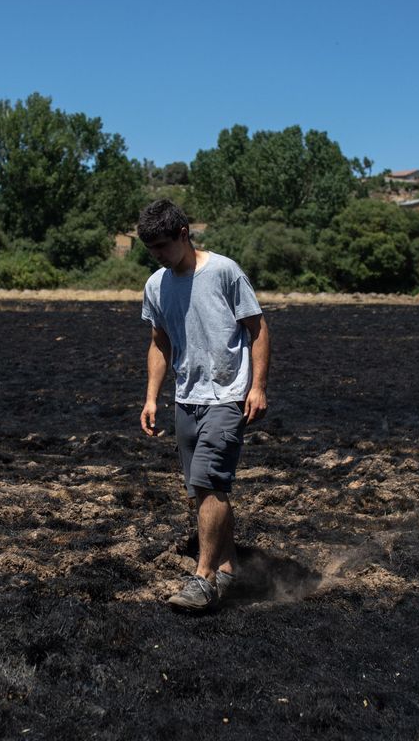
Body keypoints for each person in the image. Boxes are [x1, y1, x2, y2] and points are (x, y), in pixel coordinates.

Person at [137, 198, 270, 613]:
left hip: (227, 395)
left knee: (211, 481)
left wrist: (258, 387)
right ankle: (228, 567)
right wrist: (151, 397)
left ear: (184, 234)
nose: (157, 255)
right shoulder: (156, 285)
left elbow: (258, 328)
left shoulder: (224, 272)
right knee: (200, 489)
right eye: (150, 249)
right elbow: (160, 341)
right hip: (185, 398)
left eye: (162, 245)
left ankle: (204, 578)